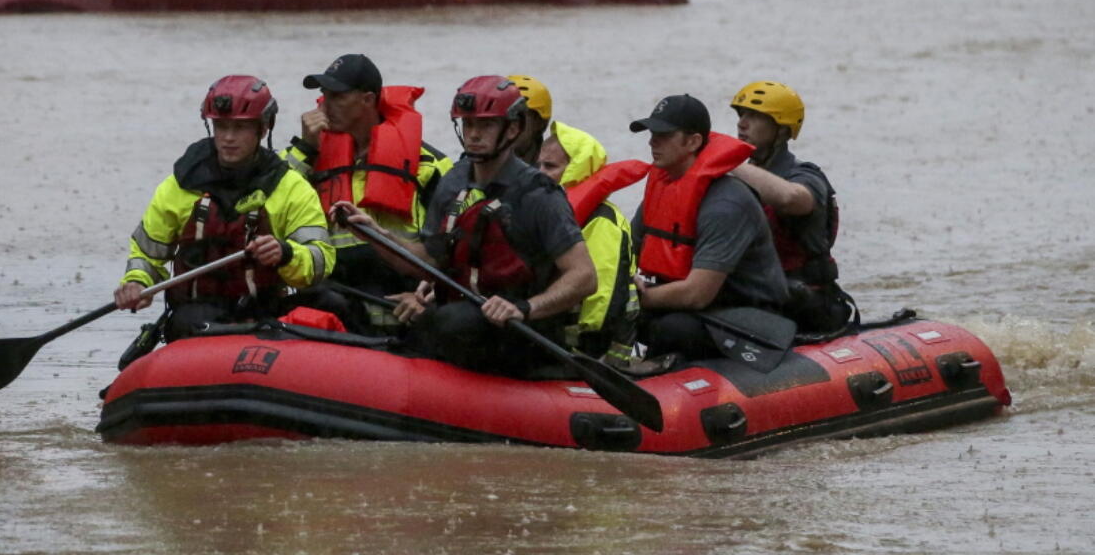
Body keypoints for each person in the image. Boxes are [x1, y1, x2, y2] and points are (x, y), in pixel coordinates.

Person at [335, 75, 596, 376]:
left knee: (450, 322)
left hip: (521, 331)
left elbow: (584, 276)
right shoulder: (454, 183)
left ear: (512, 129)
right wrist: (375, 234)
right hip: (462, 322)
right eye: (468, 124)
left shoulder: (539, 195)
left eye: (485, 125)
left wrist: (525, 308)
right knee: (427, 319)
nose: (473, 134)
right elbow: (427, 261)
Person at [114, 75, 336, 343]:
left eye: (240, 128)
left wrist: (286, 253)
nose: (229, 138)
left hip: (266, 312)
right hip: (197, 316)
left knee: (330, 302)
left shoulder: (289, 187)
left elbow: (319, 258)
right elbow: (147, 255)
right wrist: (137, 282)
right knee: (191, 321)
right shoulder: (179, 187)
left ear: (263, 129)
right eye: (221, 126)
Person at [282, 53, 452, 332]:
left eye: (337, 96)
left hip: (400, 307)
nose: (325, 105)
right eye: (324, 95)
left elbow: (451, 249)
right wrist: (305, 149)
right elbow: (269, 201)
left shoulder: (428, 166)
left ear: (368, 99)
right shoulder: (307, 156)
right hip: (335, 304)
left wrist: (426, 295)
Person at [629, 94, 790, 361]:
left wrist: (632, 300)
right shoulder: (661, 193)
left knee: (669, 329)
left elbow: (696, 294)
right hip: (689, 306)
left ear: (693, 142)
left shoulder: (727, 203)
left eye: (664, 134)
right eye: (651, 133)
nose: (652, 141)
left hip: (749, 317)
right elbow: (624, 255)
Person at [729, 81, 853, 333]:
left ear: (782, 130)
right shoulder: (736, 178)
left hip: (805, 304)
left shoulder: (806, 176)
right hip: (753, 296)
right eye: (742, 115)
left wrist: (729, 163)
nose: (742, 123)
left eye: (755, 116)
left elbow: (793, 199)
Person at [536, 121, 640, 366]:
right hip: (554, 327)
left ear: (576, 169)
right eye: (538, 164)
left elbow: (600, 303)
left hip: (593, 348)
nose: (539, 173)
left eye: (550, 166)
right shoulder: (547, 212)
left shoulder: (602, 220)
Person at [507, 74, 553, 166]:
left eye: (517, 117)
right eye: (500, 118)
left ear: (539, 123)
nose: (508, 125)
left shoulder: (553, 171)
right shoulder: (475, 168)